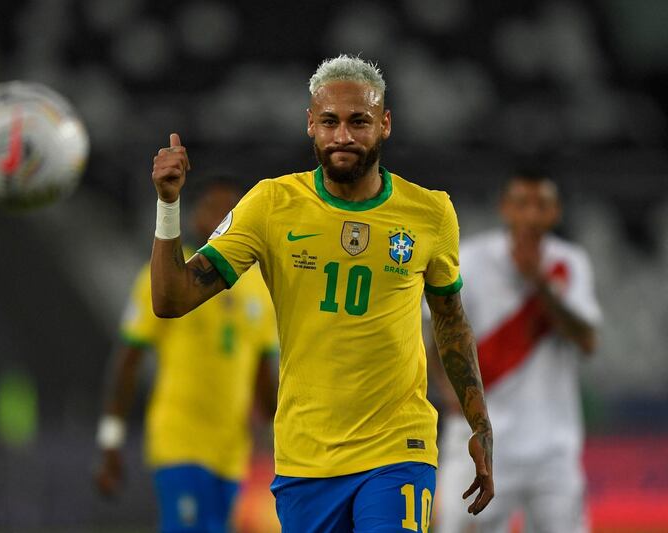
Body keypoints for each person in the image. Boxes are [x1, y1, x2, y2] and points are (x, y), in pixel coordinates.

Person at [148, 54, 494, 532]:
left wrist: (480, 423)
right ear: (310, 124)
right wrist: (169, 205)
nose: (344, 136)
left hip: (398, 447)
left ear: (385, 124)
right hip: (306, 457)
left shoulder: (431, 213)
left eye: (360, 121)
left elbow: (451, 322)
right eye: (330, 121)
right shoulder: (271, 206)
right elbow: (171, 300)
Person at [93, 179, 279, 533]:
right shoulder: (166, 281)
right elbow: (128, 360)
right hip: (179, 440)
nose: (226, 217)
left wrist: (281, 440)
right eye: (216, 209)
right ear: (197, 218)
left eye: (234, 211)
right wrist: (111, 439)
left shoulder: (261, 289)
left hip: (230, 452)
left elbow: (262, 380)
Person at [429, 170, 602, 532]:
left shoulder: (568, 263)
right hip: (481, 440)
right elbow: (436, 332)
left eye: (542, 205)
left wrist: (541, 285)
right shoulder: (471, 260)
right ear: (505, 208)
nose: (531, 216)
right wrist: (451, 396)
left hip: (553, 447)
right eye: (522, 204)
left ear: (555, 212)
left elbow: (587, 340)